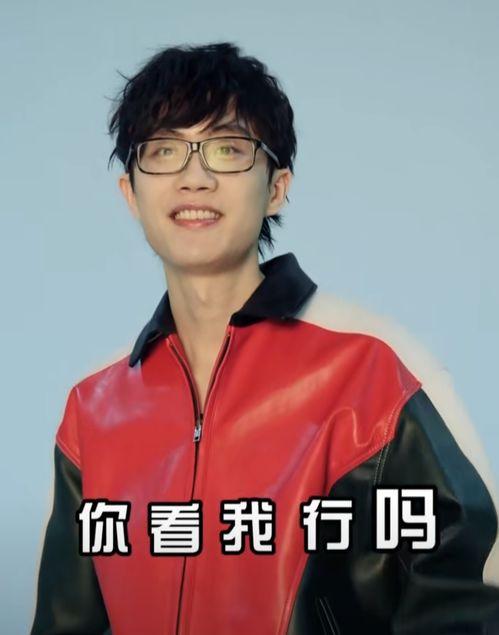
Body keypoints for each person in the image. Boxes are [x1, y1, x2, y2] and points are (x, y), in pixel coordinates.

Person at [31, 41, 499, 635]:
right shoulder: (93, 408)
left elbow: (467, 598)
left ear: (277, 187)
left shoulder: (377, 370)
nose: (194, 178)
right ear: (131, 193)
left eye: (227, 149)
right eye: (164, 151)